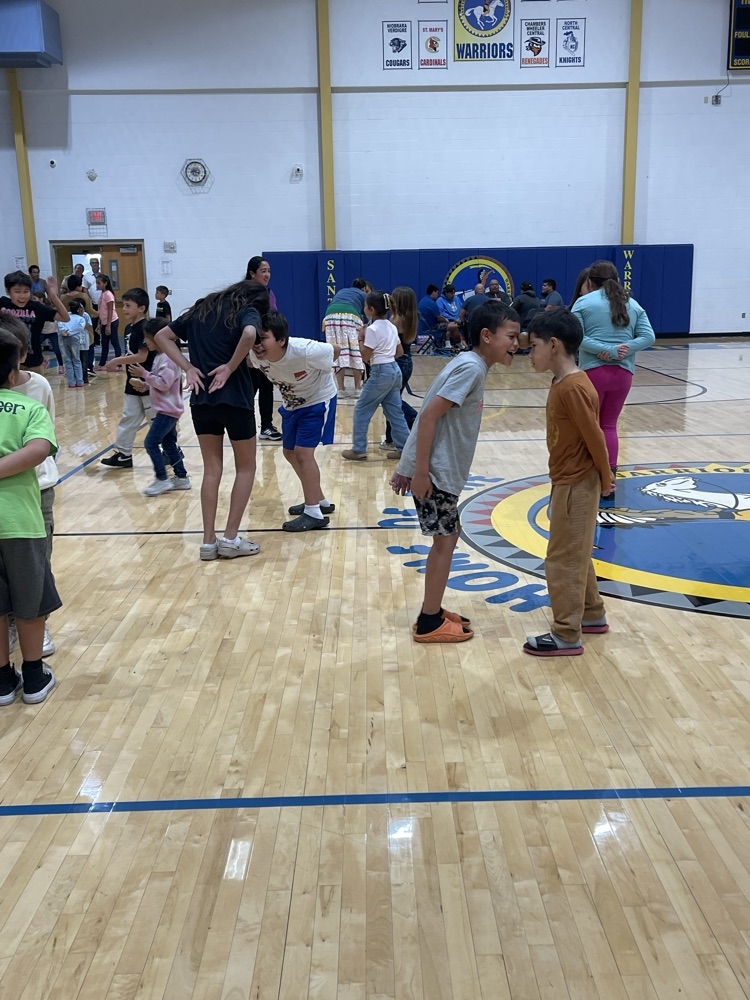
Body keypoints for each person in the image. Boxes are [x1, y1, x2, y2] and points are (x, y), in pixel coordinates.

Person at [390, 301, 521, 643]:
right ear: (487, 335)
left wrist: (408, 466)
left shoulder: (470, 364)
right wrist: (418, 471)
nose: (516, 343)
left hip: (436, 472)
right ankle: (430, 620)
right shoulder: (471, 369)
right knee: (445, 542)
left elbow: (427, 414)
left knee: (446, 539)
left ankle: (431, 610)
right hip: (436, 475)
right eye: (511, 336)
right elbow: (429, 416)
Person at [155, 279, 269, 560]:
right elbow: (251, 333)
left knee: (211, 470)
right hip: (236, 399)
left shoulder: (200, 309)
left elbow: (161, 337)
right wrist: (230, 367)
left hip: (202, 399)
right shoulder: (247, 309)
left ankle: (208, 542)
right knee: (245, 469)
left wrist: (188, 368)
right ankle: (230, 538)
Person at [523, 309, 614, 657]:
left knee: (562, 558)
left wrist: (606, 478)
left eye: (534, 346)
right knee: (577, 553)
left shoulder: (573, 387)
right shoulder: (564, 382)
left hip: (577, 483)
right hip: (568, 480)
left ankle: (566, 633)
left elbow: (595, 436)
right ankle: (591, 614)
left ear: (555, 345)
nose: (529, 354)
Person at [0, 323, 60, 705]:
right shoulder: (28, 406)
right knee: (32, 600)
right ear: (13, 369)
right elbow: (40, 449)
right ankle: (35, 676)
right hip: (20, 521)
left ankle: (3, 680)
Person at [249, 311, 339, 531]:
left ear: (281, 340)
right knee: (289, 452)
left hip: (318, 399)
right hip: (292, 404)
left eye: (263, 338)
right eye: (254, 339)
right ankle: (319, 501)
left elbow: (335, 350)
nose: (257, 345)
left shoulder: (304, 350)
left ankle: (313, 513)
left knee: (303, 453)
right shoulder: (254, 356)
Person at [572, 260, 655, 497]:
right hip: (623, 373)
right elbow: (649, 336)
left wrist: (605, 349)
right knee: (609, 425)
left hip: (593, 372)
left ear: (589, 282)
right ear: (617, 280)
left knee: (590, 426)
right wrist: (625, 348)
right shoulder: (633, 304)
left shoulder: (583, 302)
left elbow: (574, 336)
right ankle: (610, 479)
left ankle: (591, 476)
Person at [342, 291, 412, 462]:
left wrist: (360, 338)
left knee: (361, 410)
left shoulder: (372, 329)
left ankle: (359, 449)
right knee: (395, 413)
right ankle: (406, 450)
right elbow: (399, 351)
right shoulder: (391, 326)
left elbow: (365, 357)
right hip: (394, 370)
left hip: (381, 371)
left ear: (371, 310)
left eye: (366, 306)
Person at [128, 318, 191, 496]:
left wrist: (144, 374)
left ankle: (162, 479)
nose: (145, 342)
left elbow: (164, 383)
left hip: (168, 410)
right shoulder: (160, 357)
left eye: (147, 338)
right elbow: (162, 382)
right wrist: (146, 384)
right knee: (169, 442)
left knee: (150, 442)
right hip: (166, 408)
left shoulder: (169, 359)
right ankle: (182, 477)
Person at [100, 288, 154, 469]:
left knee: (155, 419)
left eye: (129, 305)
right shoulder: (128, 327)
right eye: (124, 305)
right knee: (128, 417)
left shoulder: (146, 328)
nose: (124, 309)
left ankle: (171, 451)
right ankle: (123, 454)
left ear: (142, 308)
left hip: (147, 382)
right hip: (132, 381)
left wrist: (116, 360)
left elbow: (142, 356)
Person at [0, 270, 69, 373]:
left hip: (34, 362)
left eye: (26, 291)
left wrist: (52, 295)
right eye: (17, 292)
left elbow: (65, 317)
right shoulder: (3, 304)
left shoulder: (37, 308)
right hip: (7, 362)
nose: (22, 296)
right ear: (8, 291)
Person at [245, 256, 282, 440]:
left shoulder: (269, 293)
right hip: (250, 348)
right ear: (252, 273)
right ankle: (246, 426)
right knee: (249, 389)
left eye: (268, 271)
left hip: (267, 348)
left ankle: (266, 426)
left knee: (267, 386)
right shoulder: (244, 294)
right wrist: (248, 351)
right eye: (263, 271)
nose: (267, 274)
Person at [381, 286, 418, 449]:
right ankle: (390, 439)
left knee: (391, 401)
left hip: (397, 361)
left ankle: (415, 418)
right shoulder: (411, 317)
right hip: (407, 361)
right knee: (391, 400)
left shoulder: (395, 320)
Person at [324, 278, 368, 398]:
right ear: (364, 288)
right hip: (350, 316)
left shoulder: (342, 291)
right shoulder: (364, 295)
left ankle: (341, 389)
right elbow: (368, 315)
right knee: (355, 352)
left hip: (330, 316)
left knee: (337, 353)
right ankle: (358, 389)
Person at [61, 276, 95, 382]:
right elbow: (91, 312)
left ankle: (74, 379)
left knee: (71, 359)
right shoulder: (84, 297)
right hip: (82, 338)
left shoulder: (62, 298)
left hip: (68, 334)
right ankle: (83, 376)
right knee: (83, 357)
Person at [57, 298, 88, 388]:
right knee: (76, 359)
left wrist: (64, 331)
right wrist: (71, 332)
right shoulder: (80, 318)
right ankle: (79, 381)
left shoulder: (64, 316)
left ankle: (71, 382)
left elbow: (60, 325)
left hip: (63, 338)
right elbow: (80, 328)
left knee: (67, 360)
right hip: (74, 338)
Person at [95, 273, 121, 366]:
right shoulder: (103, 294)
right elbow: (101, 310)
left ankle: (119, 364)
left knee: (114, 342)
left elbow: (110, 311)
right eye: (96, 283)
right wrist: (99, 323)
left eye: (99, 283)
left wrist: (108, 325)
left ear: (105, 283)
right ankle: (102, 364)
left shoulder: (108, 294)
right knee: (104, 343)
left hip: (112, 321)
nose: (97, 285)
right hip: (104, 322)